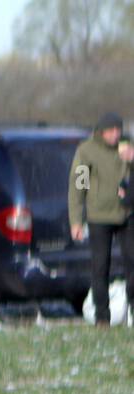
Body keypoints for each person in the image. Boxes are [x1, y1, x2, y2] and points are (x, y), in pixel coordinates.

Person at [69, 112, 133, 326]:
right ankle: (102, 317)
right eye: (110, 131)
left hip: (127, 213)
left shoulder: (128, 146)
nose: (115, 135)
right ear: (100, 132)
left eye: (118, 130)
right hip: (99, 216)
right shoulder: (86, 151)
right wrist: (77, 220)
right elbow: (79, 187)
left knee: (132, 263)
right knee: (100, 266)